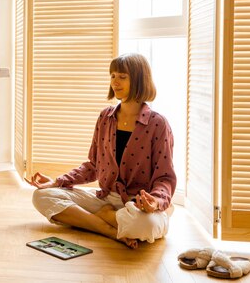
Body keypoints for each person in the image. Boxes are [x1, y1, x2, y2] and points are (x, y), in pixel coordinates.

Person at [27, 53, 176, 249]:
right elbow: (93, 165)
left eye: (122, 77)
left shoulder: (158, 124)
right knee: (41, 196)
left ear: (139, 80)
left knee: (147, 225)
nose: (115, 82)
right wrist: (57, 182)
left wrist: (156, 202)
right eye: (112, 75)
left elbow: (164, 177)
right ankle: (108, 229)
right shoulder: (105, 117)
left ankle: (105, 218)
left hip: (136, 204)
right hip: (105, 197)